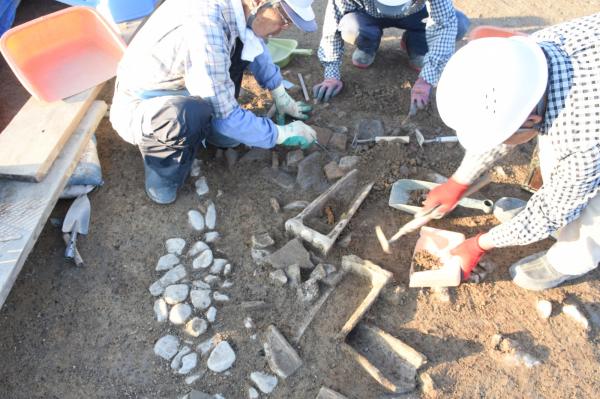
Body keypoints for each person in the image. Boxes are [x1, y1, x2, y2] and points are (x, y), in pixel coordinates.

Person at [421, 13, 600, 291]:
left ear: (530, 120)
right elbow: (509, 122)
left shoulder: (582, 135)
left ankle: (570, 258)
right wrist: (460, 180)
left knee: (592, 210)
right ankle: (556, 228)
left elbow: (553, 208)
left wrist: (480, 243)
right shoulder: (530, 57)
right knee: (558, 161)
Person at [110, 0, 318, 204]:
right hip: (146, 102)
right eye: (283, 19)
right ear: (259, 2)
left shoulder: (239, 10)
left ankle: (210, 129)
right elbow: (226, 116)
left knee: (239, 50)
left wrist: (279, 92)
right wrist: (281, 134)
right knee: (187, 115)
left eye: (288, 23)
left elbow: (255, 45)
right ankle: (163, 173)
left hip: (187, 82)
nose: (283, 29)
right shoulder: (206, 24)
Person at [313, 0, 470, 114]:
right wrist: (331, 74)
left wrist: (426, 80)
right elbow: (332, 26)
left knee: (459, 24)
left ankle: (416, 44)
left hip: (417, 14)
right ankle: (368, 44)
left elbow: (444, 25)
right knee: (349, 27)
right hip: (367, 14)